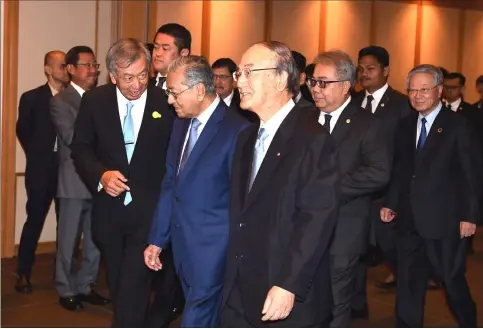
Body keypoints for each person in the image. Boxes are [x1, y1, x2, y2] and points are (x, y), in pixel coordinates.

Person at [220, 41, 339, 327]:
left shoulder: (312, 138)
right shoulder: (245, 138)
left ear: (282, 78)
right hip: (240, 286)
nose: (240, 82)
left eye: (249, 72)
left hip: (282, 291)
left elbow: (316, 220)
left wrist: (289, 285)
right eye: (238, 73)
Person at [71, 38, 175, 327]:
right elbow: (80, 148)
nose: (137, 83)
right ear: (113, 76)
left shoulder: (164, 102)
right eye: (128, 77)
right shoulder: (95, 101)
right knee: (120, 286)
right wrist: (101, 175)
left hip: (149, 214)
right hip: (110, 213)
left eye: (143, 75)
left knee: (133, 286)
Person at [144, 55, 249, 327]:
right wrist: (158, 238)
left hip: (215, 250)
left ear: (199, 90)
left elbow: (243, 201)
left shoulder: (238, 131)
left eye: (174, 93)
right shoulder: (180, 123)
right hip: (182, 247)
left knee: (196, 318)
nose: (169, 101)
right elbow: (171, 184)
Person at [382, 64, 481, 327]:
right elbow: (401, 169)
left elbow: (470, 174)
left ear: (439, 91)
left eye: (424, 90)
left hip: (445, 220)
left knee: (451, 280)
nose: (417, 96)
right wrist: (391, 203)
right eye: (412, 90)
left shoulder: (459, 126)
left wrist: (470, 216)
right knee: (409, 283)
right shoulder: (404, 125)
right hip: (409, 219)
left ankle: (469, 322)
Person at [309, 50, 390, 327]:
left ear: (345, 86)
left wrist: (327, 188)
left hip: (344, 228)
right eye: (312, 81)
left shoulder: (368, 124)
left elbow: (379, 173)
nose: (315, 89)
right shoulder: (302, 119)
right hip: (301, 228)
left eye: (323, 82)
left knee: (337, 300)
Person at [50, 46, 109, 311]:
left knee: (95, 238)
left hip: (99, 179)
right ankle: (66, 288)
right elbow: (72, 138)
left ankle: (86, 285)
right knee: (68, 239)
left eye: (95, 65)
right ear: (71, 69)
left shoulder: (101, 99)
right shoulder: (61, 101)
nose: (93, 70)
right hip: (73, 181)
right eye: (86, 65)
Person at [15, 50, 69, 293]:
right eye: (60, 65)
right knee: (34, 220)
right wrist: (39, 156)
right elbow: (22, 131)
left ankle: (63, 277)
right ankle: (23, 273)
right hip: (41, 171)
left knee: (66, 225)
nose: (65, 70)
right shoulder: (32, 98)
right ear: (48, 69)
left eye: (67, 65)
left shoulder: (74, 98)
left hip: (68, 172)